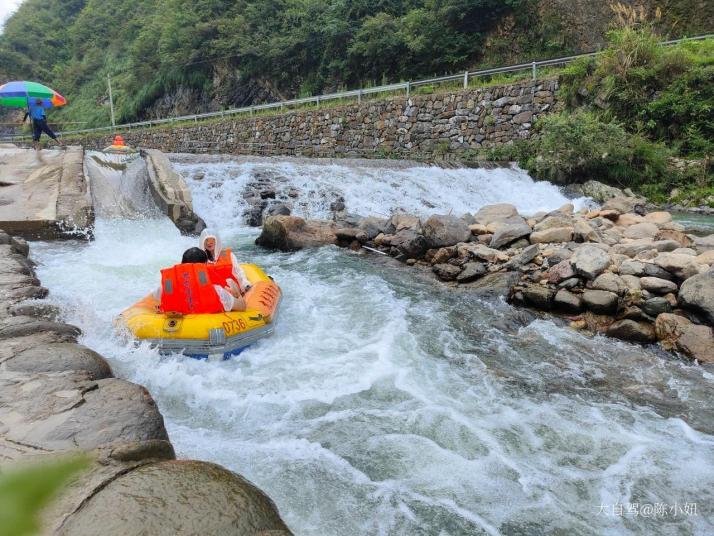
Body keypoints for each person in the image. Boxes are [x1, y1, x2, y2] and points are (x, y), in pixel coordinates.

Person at [154, 247, 246, 314]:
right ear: (204, 267)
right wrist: (238, 294)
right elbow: (242, 307)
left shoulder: (165, 286)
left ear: (182, 264)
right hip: (208, 331)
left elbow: (155, 297)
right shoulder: (217, 291)